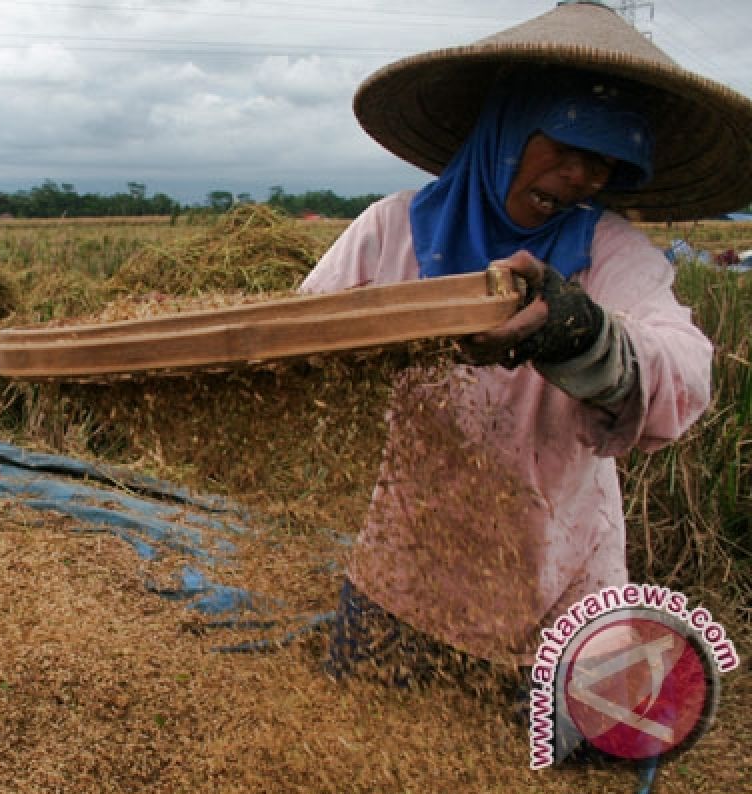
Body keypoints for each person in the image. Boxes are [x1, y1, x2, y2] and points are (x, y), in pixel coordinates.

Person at [302, 2, 752, 691]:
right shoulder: (390, 231)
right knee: (357, 717)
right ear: (507, 129)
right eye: (567, 147)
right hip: (404, 558)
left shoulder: (610, 254)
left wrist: (579, 331)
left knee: (563, 756)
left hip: (555, 569)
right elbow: (307, 333)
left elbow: (685, 370)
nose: (582, 177)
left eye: (605, 162)